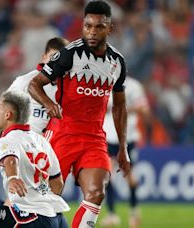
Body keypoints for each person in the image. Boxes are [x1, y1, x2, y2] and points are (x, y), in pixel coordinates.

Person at [28, 1, 131, 227]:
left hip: (94, 138)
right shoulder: (68, 55)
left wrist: (123, 147)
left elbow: (120, 106)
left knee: (96, 193)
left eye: (99, 27)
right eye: (88, 26)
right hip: (62, 134)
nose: (92, 32)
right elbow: (34, 84)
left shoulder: (117, 62)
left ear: (109, 28)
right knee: (46, 199)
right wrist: (47, 103)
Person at [0, 90, 70, 228]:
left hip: (31, 220)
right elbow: (57, 182)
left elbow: (11, 159)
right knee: (9, 208)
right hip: (54, 218)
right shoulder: (42, 141)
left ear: (7, 115)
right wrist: (41, 200)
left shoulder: (7, 139)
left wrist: (12, 177)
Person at [0, 37, 69, 170]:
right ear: (43, 57)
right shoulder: (25, 82)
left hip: (52, 155)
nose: (57, 63)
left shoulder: (72, 88)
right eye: (53, 57)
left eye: (62, 59)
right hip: (22, 151)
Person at [101, 76, 150, 228]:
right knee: (106, 176)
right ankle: (111, 215)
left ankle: (134, 213)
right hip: (108, 136)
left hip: (128, 137)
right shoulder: (103, 83)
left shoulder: (133, 86)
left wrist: (121, 107)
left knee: (130, 178)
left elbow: (144, 109)